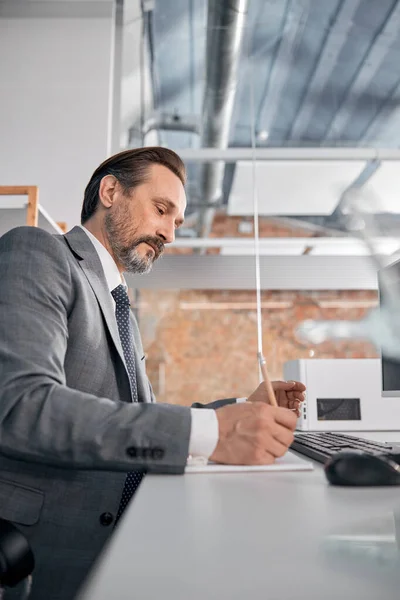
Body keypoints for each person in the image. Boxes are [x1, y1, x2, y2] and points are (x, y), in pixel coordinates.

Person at [0, 147, 305, 600]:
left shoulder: (121, 302)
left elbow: (136, 416)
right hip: (46, 548)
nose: (169, 233)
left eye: (177, 223)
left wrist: (241, 409)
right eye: (161, 210)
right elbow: (24, 407)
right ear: (110, 191)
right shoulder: (40, 251)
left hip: (122, 538)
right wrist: (211, 432)